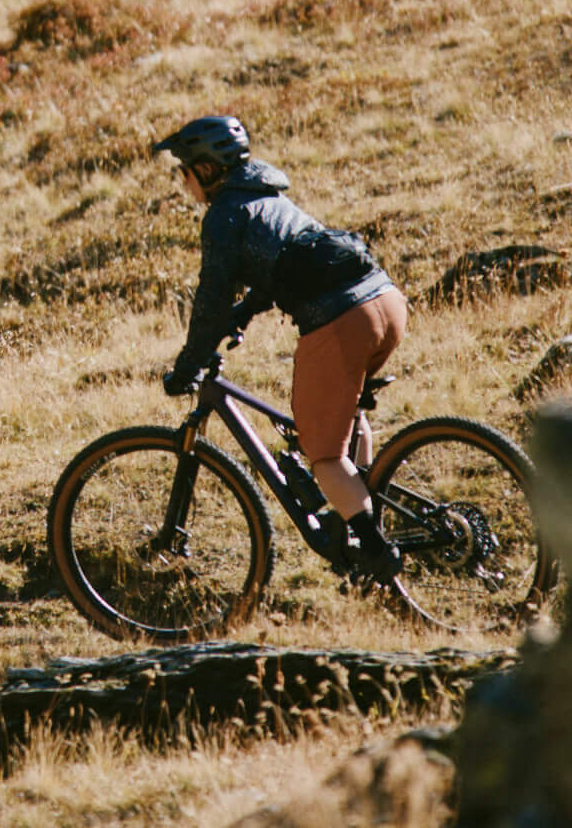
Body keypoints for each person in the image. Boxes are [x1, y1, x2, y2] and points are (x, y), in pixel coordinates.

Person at [152, 114, 408, 583]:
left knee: (324, 455)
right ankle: (363, 516)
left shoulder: (224, 215)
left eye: (184, 170)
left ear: (205, 171)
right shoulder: (267, 197)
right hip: (387, 302)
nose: (182, 181)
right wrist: (245, 311)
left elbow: (210, 301)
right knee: (348, 419)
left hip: (343, 320)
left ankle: (374, 551)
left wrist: (187, 365)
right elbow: (285, 263)